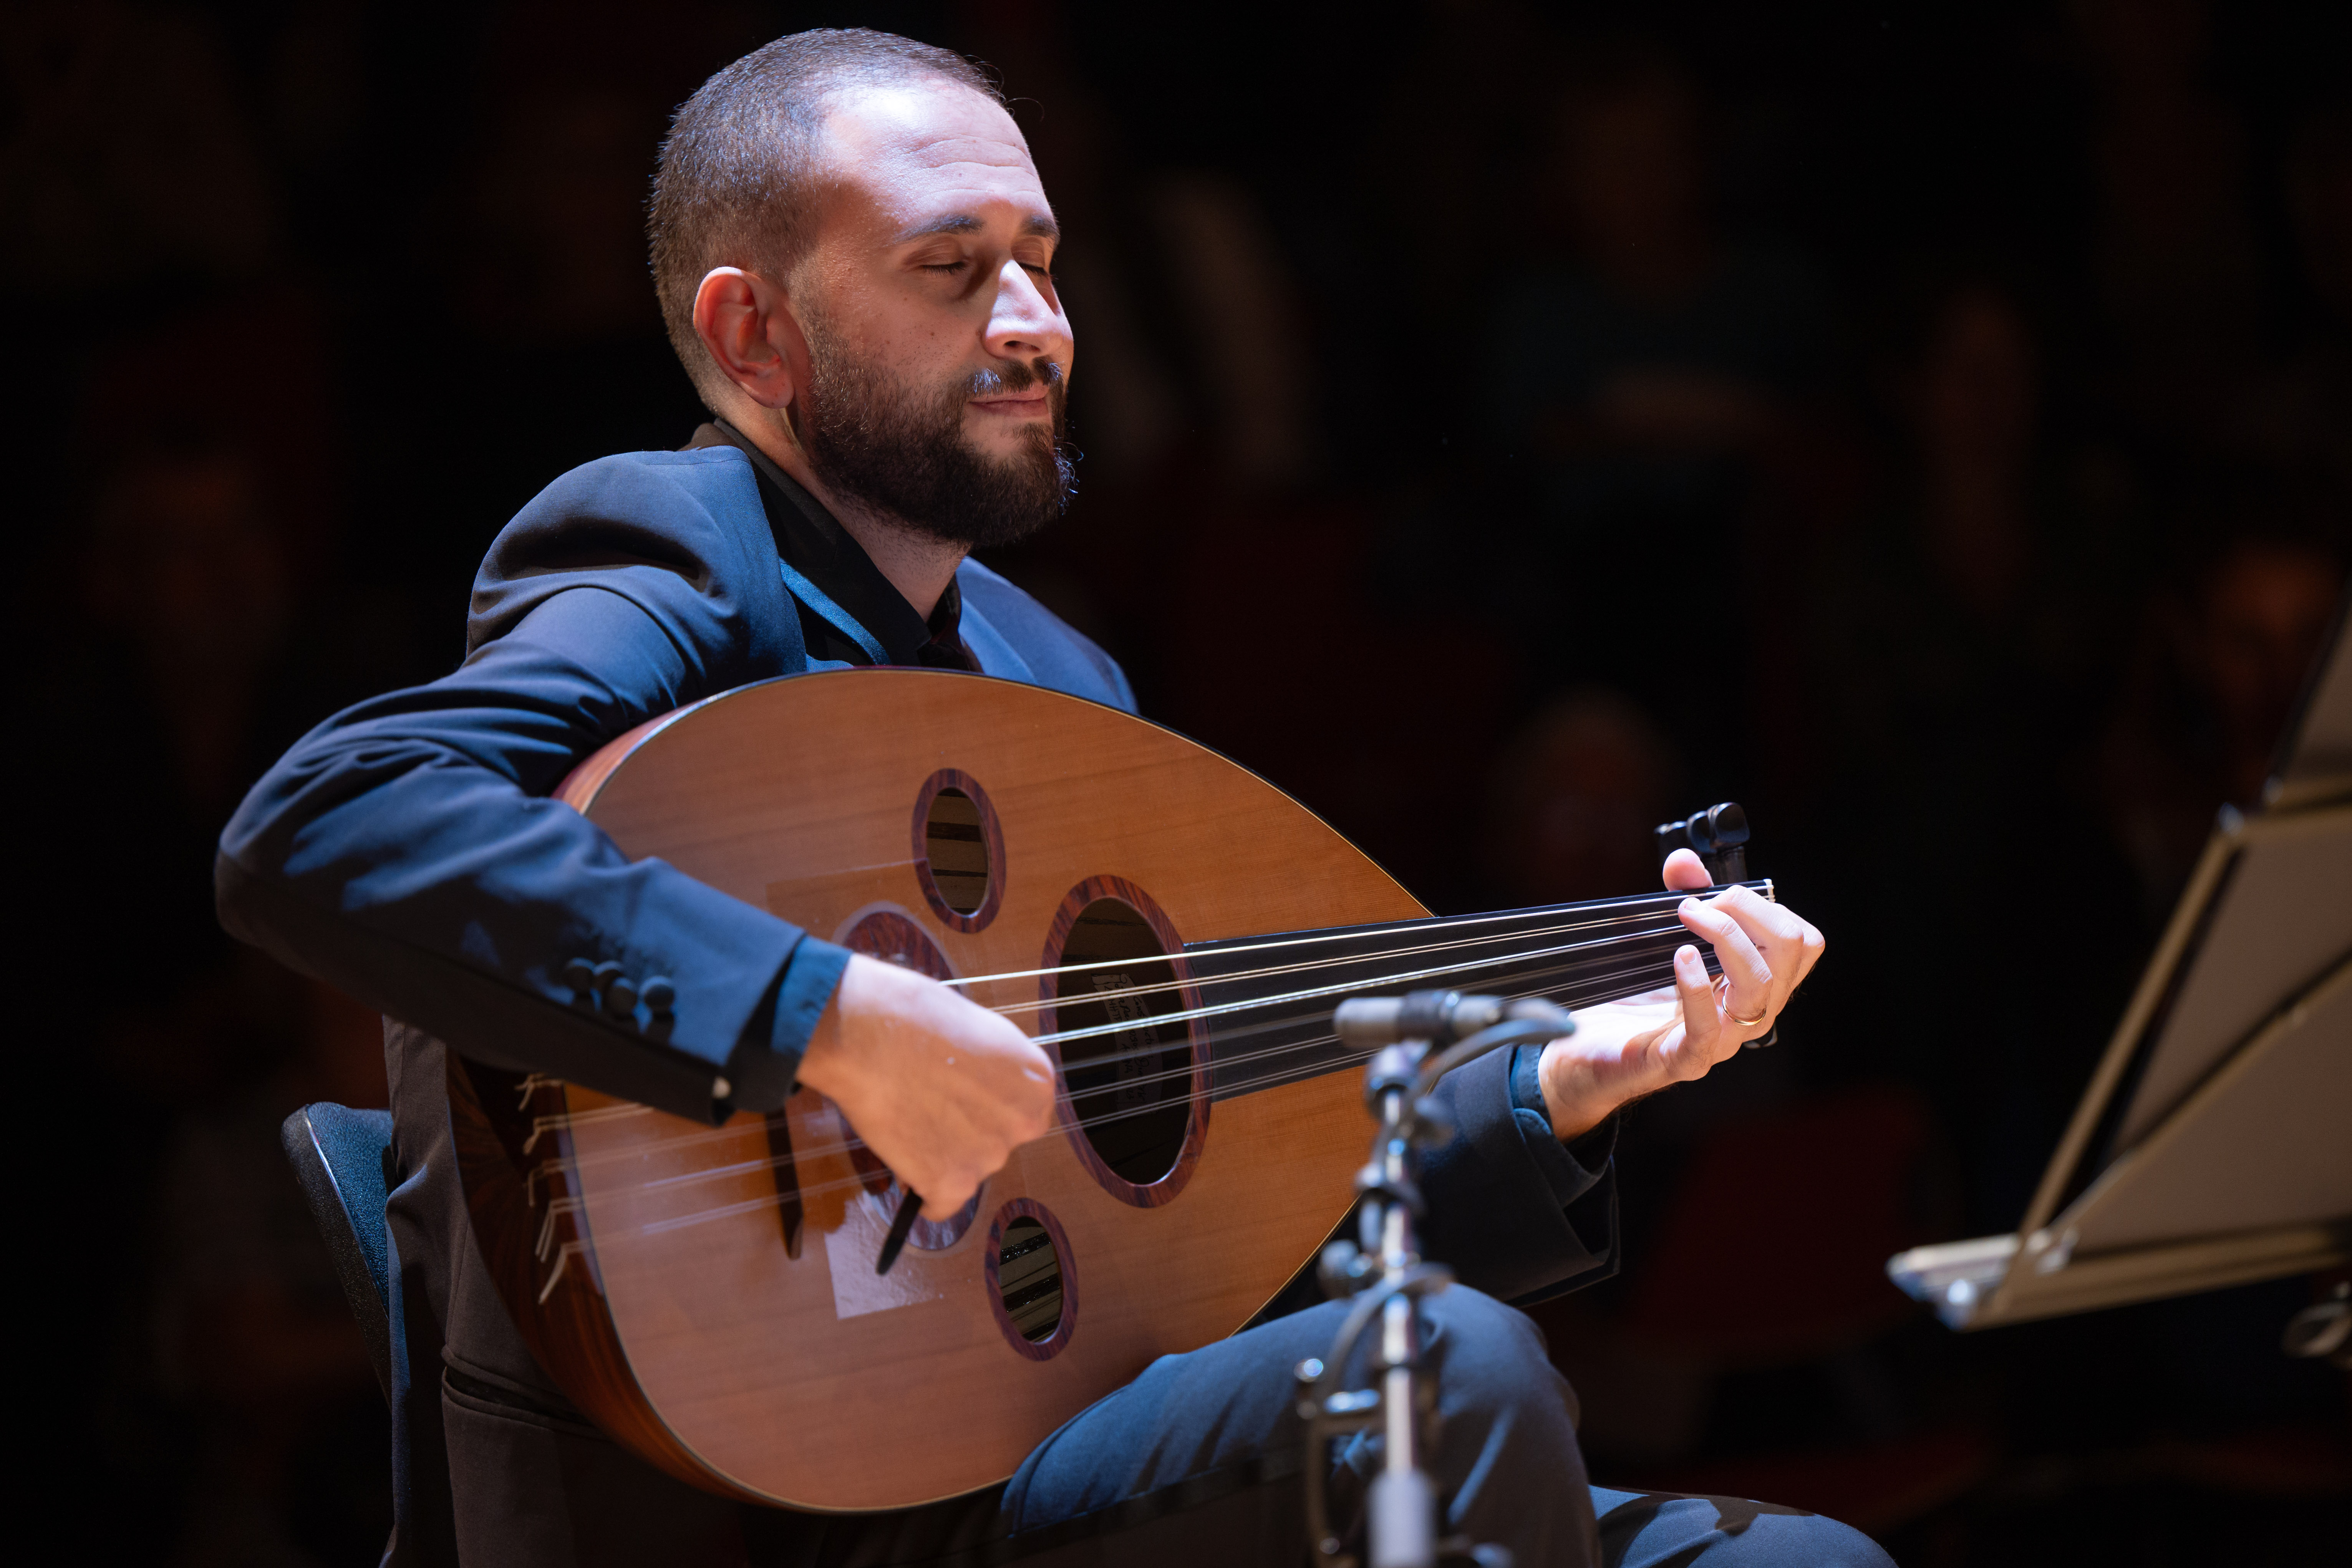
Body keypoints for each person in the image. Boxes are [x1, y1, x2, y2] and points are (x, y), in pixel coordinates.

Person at [217, 30, 1873, 1568]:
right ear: (753, 333)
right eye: (953, 269)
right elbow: (333, 818)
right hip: (777, 1508)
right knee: (1436, 1373)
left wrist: (1560, 1082)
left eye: (1044, 260)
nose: (1037, 322)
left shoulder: (1057, 680)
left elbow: (1208, 1210)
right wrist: (830, 1016)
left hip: (1043, 1442)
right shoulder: (672, 552)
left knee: (1810, 1556)